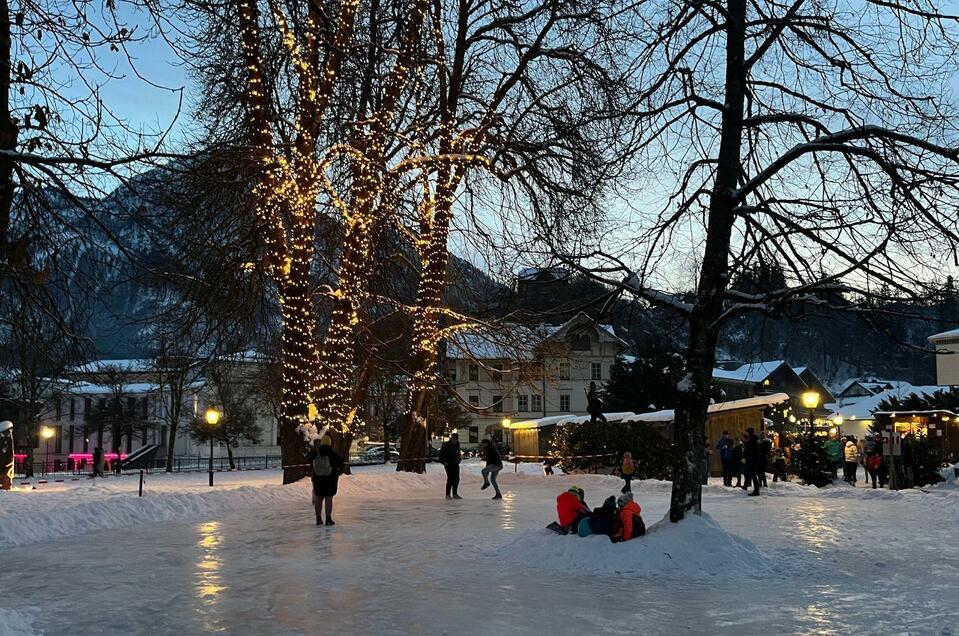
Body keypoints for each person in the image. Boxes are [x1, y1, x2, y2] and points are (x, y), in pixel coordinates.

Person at [307, 435, 344, 526]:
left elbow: (309, 459)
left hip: (318, 479)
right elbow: (340, 463)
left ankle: (318, 519)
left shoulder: (316, 453)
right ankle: (328, 519)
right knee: (328, 498)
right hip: (330, 479)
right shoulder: (332, 454)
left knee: (318, 499)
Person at [438, 433, 462, 499]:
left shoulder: (457, 445)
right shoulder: (446, 445)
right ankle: (447, 494)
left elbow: (458, 453)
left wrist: (459, 459)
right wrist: (443, 461)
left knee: (456, 479)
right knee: (450, 478)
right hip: (448, 464)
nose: (454, 440)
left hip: (456, 464)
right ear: (451, 439)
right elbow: (441, 455)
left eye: (456, 439)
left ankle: (455, 494)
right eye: (453, 439)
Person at [743, 428, 761, 496]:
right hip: (752, 460)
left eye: (747, 432)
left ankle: (756, 490)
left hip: (752, 460)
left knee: (753, 475)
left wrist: (748, 458)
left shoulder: (753, 440)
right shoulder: (754, 439)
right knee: (751, 474)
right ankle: (752, 487)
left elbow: (751, 450)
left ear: (749, 432)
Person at [0, 421, 14, 491]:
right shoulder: (6, 440)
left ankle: (5, 485)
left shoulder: (7, 440)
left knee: (5, 474)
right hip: (4, 462)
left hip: (5, 462)